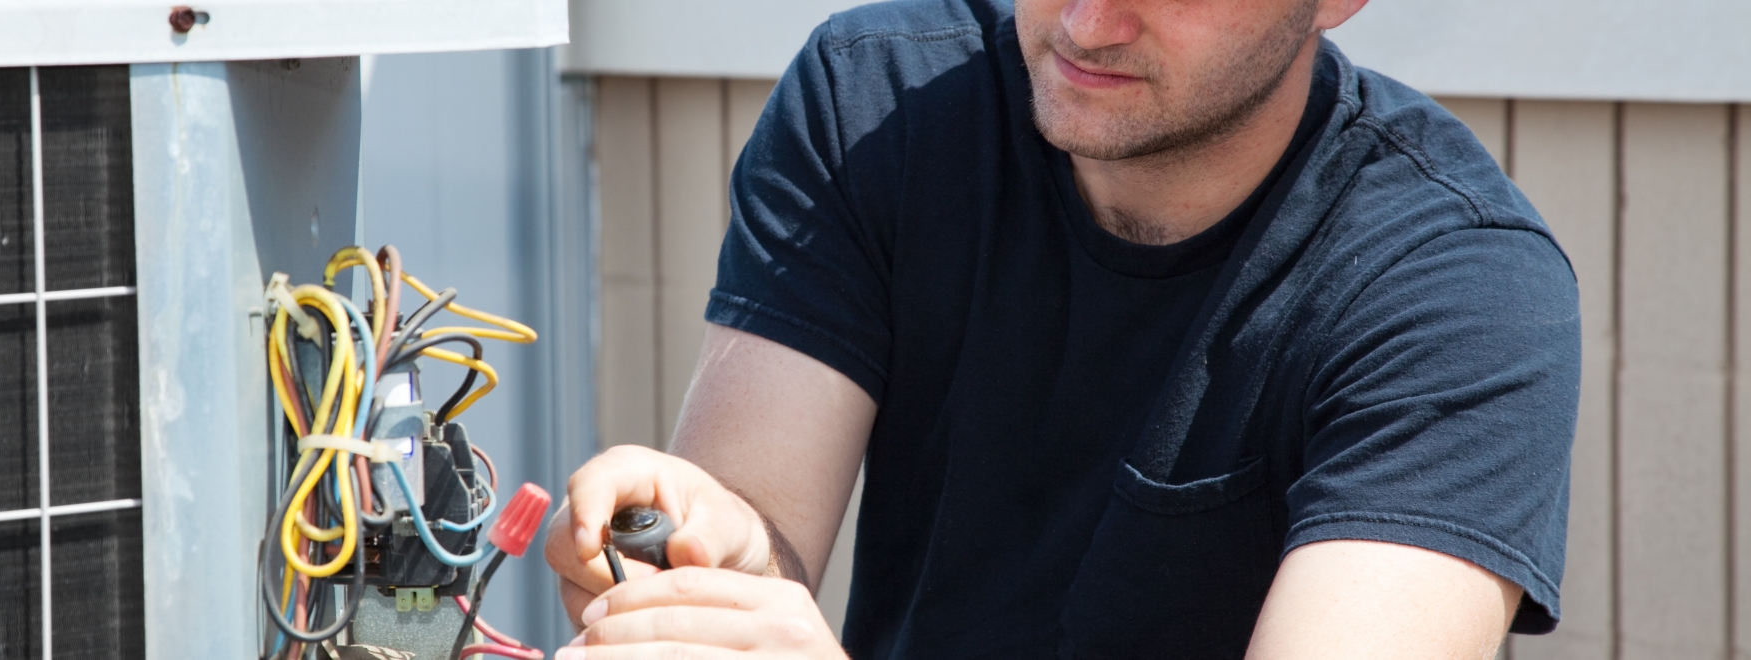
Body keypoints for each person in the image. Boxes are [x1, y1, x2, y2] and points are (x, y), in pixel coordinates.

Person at [546, 0, 1580, 656]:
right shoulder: (880, 107)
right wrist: (713, 548)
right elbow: (756, 540)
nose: (1087, 23)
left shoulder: (1458, 288)